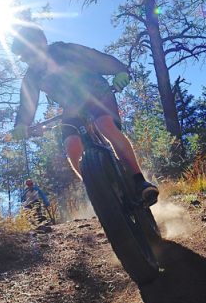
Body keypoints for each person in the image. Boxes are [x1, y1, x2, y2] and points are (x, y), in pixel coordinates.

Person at [10, 25, 158, 205]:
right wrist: (21, 124)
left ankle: (138, 180)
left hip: (98, 94)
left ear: (42, 43)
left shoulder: (64, 50)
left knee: (106, 125)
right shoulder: (32, 77)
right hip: (72, 108)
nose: (29, 60)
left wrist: (120, 71)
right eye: (24, 58)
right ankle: (98, 191)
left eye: (30, 53)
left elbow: (97, 59)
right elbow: (27, 102)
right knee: (71, 146)